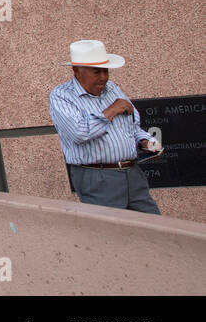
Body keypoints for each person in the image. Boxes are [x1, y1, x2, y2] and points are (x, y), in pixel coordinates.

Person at [49, 40, 161, 214]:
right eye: (96, 72)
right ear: (76, 70)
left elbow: (132, 126)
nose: (103, 77)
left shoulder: (112, 89)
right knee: (112, 233)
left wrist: (146, 142)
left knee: (154, 227)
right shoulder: (62, 96)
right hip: (97, 176)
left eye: (105, 71)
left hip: (132, 173)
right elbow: (80, 133)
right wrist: (112, 109)